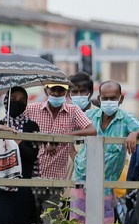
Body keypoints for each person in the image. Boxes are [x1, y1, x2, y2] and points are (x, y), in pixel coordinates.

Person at [71, 81, 139, 224]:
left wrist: (134, 133)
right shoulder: (89, 115)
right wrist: (73, 154)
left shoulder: (125, 119)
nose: (109, 102)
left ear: (121, 99)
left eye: (113, 98)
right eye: (105, 98)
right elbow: (67, 127)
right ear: (99, 99)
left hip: (105, 185)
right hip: (81, 179)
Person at [23, 83, 96, 214]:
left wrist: (63, 137)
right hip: (33, 177)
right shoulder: (31, 109)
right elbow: (14, 123)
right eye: (53, 90)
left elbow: (91, 130)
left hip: (56, 181)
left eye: (60, 90)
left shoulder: (73, 111)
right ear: (46, 91)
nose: (56, 93)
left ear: (66, 93)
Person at [0, 87, 41, 224]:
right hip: (0, 189)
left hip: (23, 189)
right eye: (13, 98)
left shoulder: (32, 126)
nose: (17, 102)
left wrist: (15, 140)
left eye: (21, 100)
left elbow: (32, 155)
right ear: (6, 101)